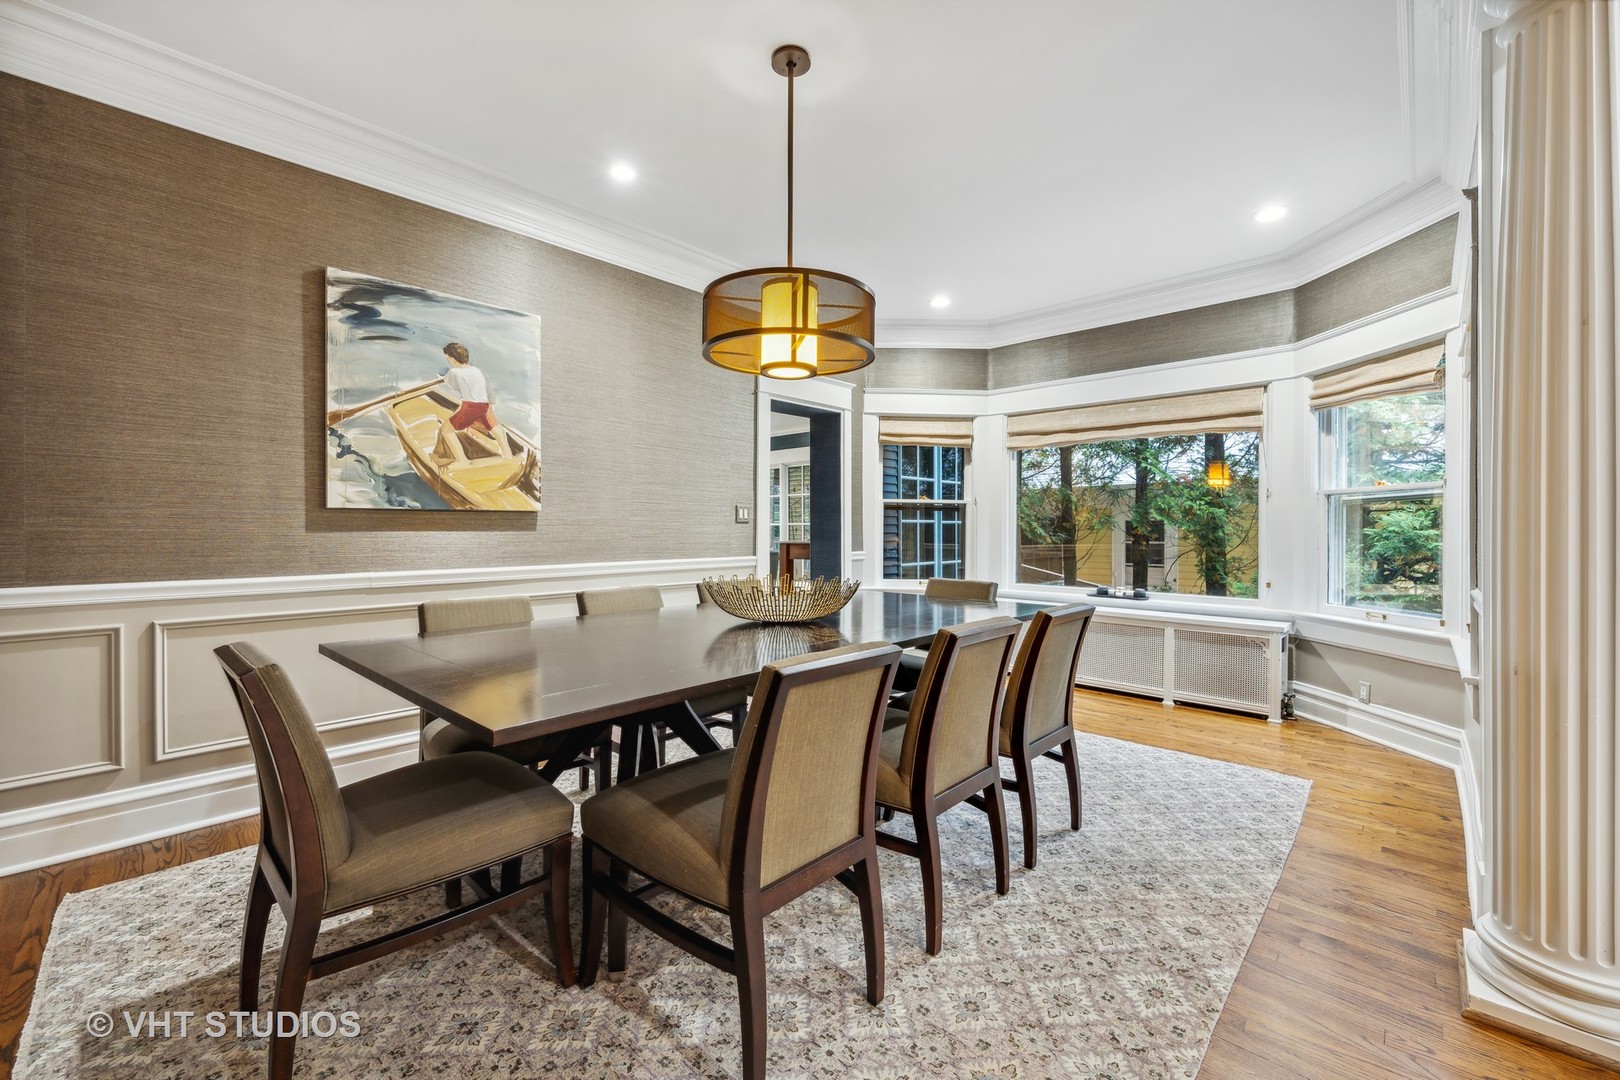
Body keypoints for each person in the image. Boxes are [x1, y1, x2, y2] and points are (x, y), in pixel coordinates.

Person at [433, 342, 511, 463]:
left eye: (448, 358)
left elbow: (452, 386)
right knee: (495, 428)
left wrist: (443, 378)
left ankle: (463, 460)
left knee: (445, 430)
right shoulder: (476, 370)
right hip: (485, 406)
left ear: (453, 359)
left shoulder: (454, 372)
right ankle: (508, 456)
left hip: (470, 407)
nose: (448, 360)